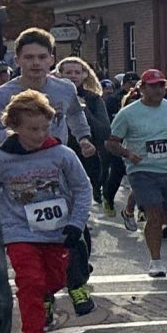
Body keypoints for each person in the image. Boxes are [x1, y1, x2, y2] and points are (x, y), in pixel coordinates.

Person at [0, 90, 92, 333]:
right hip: (19, 231)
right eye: (32, 129)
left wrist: (76, 223)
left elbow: (83, 189)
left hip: (57, 230)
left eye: (44, 128)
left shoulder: (61, 154)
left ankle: (47, 296)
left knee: (54, 280)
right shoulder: (0, 160)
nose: (39, 135)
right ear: (14, 128)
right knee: (29, 282)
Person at [105, 69, 167, 277]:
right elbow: (110, 142)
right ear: (142, 88)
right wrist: (127, 153)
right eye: (153, 85)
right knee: (155, 214)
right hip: (142, 170)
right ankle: (156, 261)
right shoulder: (128, 113)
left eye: (161, 85)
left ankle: (128, 212)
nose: (159, 89)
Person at [0, 30, 93, 168]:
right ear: (17, 60)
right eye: (29, 57)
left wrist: (83, 137)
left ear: (51, 60)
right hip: (17, 168)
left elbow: (75, 113)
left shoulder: (65, 88)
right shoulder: (1, 95)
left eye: (42, 57)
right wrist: (20, 135)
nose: (36, 63)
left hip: (55, 164)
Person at [56, 58, 115, 215]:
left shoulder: (93, 99)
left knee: (78, 202)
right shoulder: (51, 95)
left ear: (84, 75)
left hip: (86, 156)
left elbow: (104, 131)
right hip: (57, 153)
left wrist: (83, 111)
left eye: (77, 72)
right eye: (68, 72)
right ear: (59, 74)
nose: (73, 76)